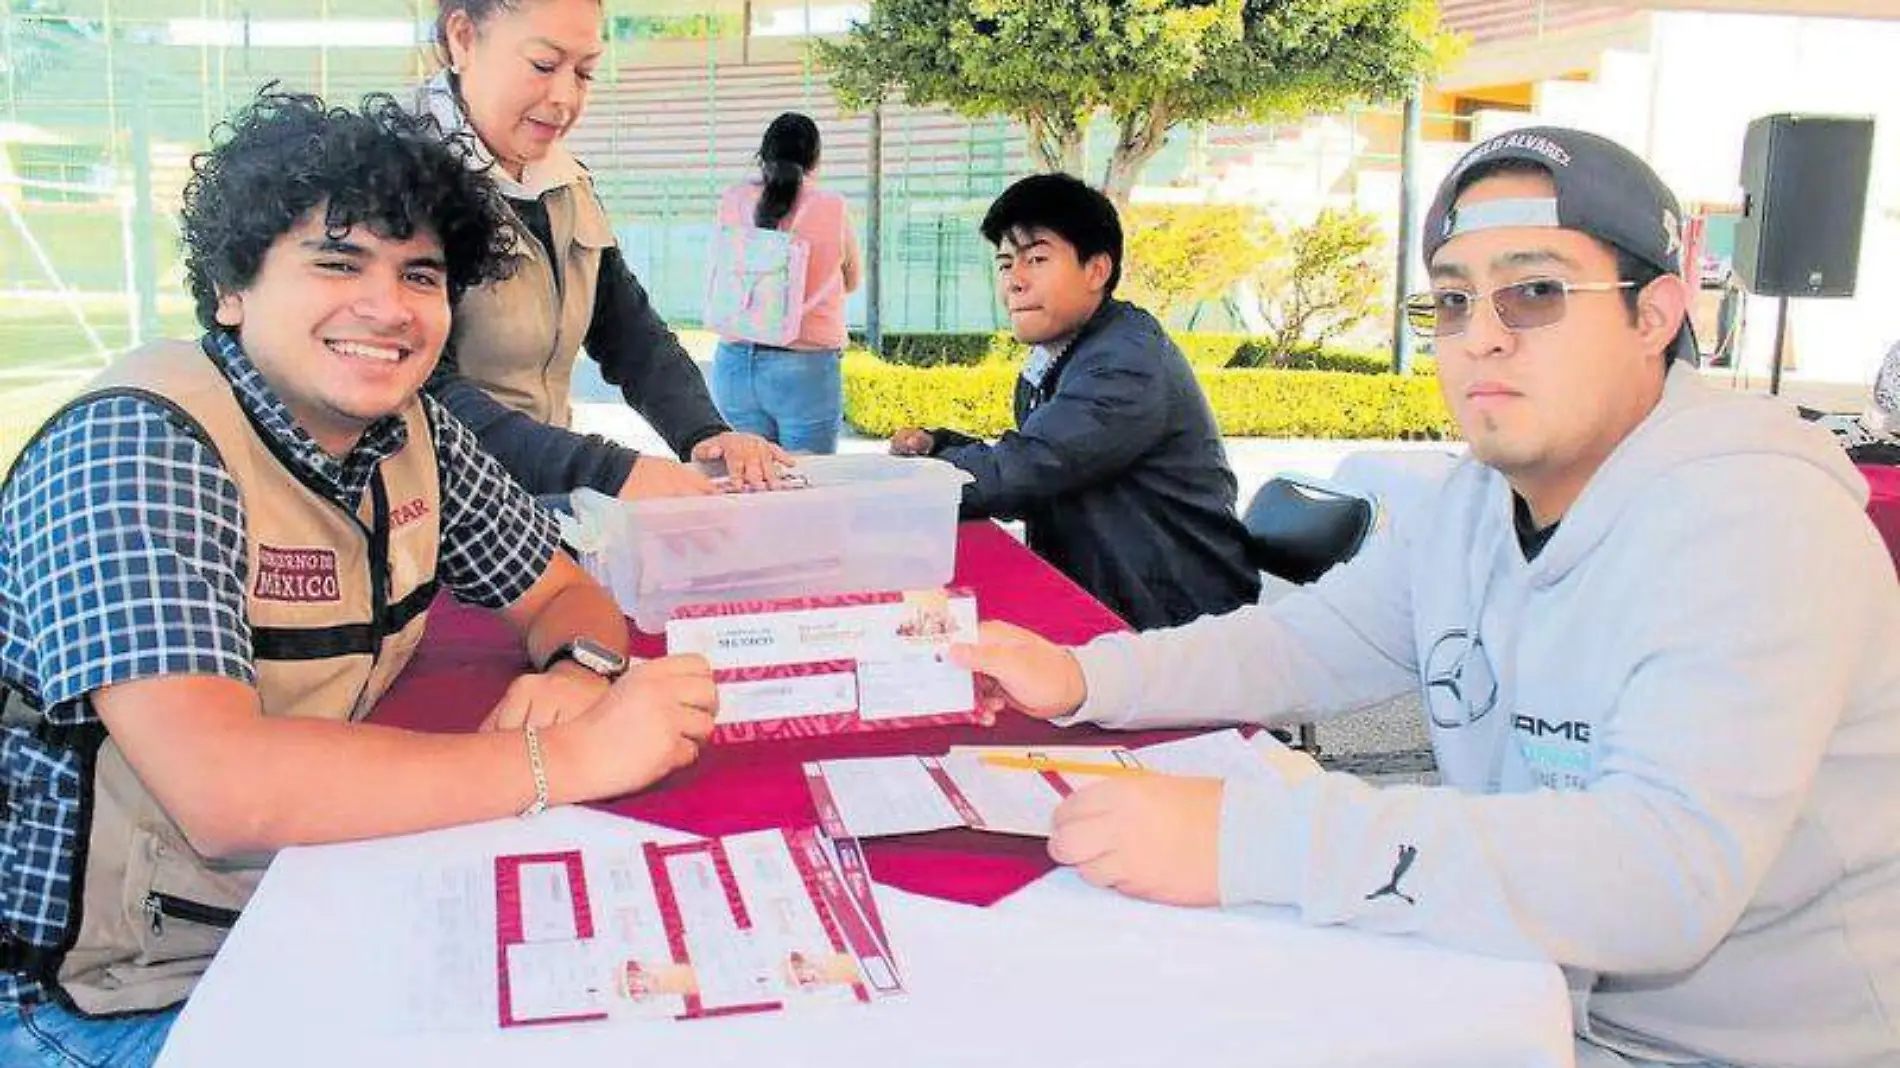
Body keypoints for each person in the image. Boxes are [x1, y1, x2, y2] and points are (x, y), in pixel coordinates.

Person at [949, 128, 1900, 1067]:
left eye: (1535, 292)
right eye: (1451, 300)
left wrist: (1250, 842)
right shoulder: (1479, 501)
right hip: (1521, 983)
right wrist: (1083, 675)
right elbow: (1309, 644)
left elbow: (1662, 874)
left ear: (1654, 316)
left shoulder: (1757, 520)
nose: (1480, 335)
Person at [0, 91, 718, 1067]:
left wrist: (580, 673)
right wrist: (573, 760)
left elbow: (561, 595)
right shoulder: (138, 442)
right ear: (232, 288)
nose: (387, 308)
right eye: (337, 262)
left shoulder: (412, 432)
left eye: (419, 274)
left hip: (291, 903)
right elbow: (225, 788)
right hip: (91, 998)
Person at [421, 0, 787, 498]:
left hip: (534, 502)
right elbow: (420, 390)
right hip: (435, 512)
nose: (565, 98)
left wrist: (705, 432)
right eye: (543, 65)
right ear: (463, 38)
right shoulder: (397, 181)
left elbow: (630, 331)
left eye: (586, 73)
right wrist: (608, 472)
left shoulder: (565, 182)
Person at [889, 173, 1260, 630]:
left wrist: (891, 489)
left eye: (1037, 259)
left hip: (1173, 620)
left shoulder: (1125, 363)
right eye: (1005, 264)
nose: (1014, 283)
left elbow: (1027, 469)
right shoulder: (1064, 354)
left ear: (1096, 270)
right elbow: (1043, 462)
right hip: (1111, 591)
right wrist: (938, 445)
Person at [709, 112, 862, 454]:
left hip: (733, 365)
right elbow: (852, 280)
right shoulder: (830, 206)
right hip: (804, 368)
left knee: (745, 486)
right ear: (815, 159)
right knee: (806, 489)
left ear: (764, 154)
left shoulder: (733, 198)